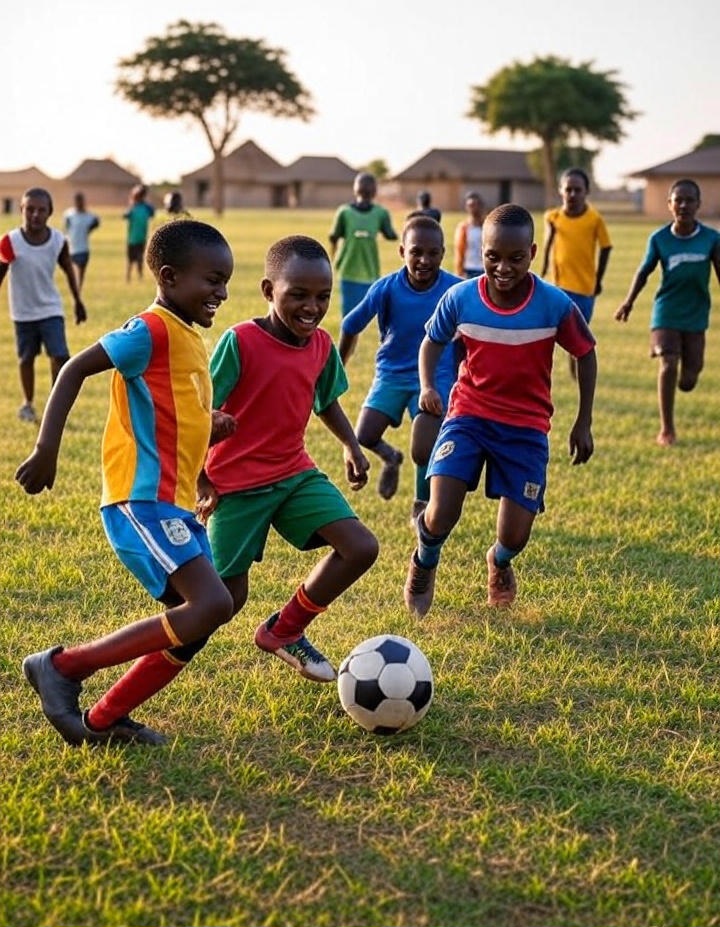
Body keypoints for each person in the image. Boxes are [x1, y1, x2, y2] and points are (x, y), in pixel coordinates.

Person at [17, 219, 237, 746]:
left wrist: (206, 464)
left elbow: (178, 416)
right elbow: (72, 369)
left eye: (225, 281)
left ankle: (103, 720)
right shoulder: (150, 329)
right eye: (211, 280)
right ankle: (64, 667)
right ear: (168, 276)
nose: (222, 293)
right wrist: (46, 449)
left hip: (175, 502)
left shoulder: (188, 337)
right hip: (141, 500)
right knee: (212, 605)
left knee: (198, 621)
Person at [197, 235, 379, 683]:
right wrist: (201, 477)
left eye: (322, 297)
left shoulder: (320, 346)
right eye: (297, 294)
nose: (311, 307)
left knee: (360, 547)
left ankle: (284, 629)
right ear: (267, 291)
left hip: (294, 474)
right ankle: (143, 661)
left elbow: (326, 401)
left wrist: (351, 445)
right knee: (221, 600)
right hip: (236, 487)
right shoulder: (240, 342)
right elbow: (201, 413)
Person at [403, 204, 597, 617]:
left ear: (532, 251)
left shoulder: (554, 304)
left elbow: (585, 353)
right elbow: (431, 343)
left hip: (525, 428)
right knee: (440, 511)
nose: (503, 267)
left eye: (515, 258)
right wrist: (425, 386)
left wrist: (583, 421)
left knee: (516, 534)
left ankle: (500, 562)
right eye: (493, 257)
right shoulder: (460, 298)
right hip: (468, 417)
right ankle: (424, 560)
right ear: (482, 252)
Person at [338, 215, 461, 523]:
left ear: (443, 254)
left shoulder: (456, 290)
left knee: (424, 445)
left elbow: (477, 329)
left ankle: (422, 505)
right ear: (402, 252)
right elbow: (351, 324)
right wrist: (339, 367)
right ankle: (391, 458)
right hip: (391, 374)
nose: (424, 260)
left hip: (435, 378)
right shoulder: (386, 288)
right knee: (363, 435)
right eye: (416, 252)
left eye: (432, 253)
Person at [615, 178, 720, 447]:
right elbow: (644, 272)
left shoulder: (711, 239)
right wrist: (628, 302)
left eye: (689, 200)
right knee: (668, 363)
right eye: (678, 200)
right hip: (666, 313)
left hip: (696, 316)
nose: (684, 204)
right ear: (670, 204)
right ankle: (667, 429)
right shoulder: (659, 239)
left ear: (698, 204)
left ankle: (688, 373)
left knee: (689, 378)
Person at [0, 187, 87, 424]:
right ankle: (27, 404)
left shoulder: (58, 241)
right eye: (30, 210)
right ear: (21, 210)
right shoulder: (10, 242)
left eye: (41, 210)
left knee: (60, 356)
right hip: (23, 312)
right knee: (26, 358)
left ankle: (54, 405)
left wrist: (78, 301)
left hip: (50, 308)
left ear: (50, 213)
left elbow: (69, 269)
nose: (35, 215)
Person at [540, 167, 612, 378]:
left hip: (585, 288)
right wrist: (544, 271)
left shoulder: (594, 219)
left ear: (586, 192)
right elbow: (547, 245)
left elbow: (606, 247)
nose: (572, 194)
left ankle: (576, 365)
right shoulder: (552, 217)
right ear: (560, 191)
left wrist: (599, 280)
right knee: (550, 332)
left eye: (577, 190)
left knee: (579, 334)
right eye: (568, 189)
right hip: (559, 287)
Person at [328, 172, 398, 318]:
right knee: (366, 315)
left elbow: (333, 237)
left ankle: (347, 340)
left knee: (348, 316)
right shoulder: (380, 213)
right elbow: (391, 235)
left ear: (355, 189)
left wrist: (334, 259)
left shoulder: (344, 212)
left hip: (347, 269)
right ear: (375, 191)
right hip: (370, 271)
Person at [63, 192, 100, 292]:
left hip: (83, 248)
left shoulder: (89, 216)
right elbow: (66, 228)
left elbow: (97, 221)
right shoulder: (69, 215)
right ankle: (75, 289)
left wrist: (89, 230)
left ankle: (78, 290)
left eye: (81, 201)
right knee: (72, 272)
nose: (79, 203)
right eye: (77, 201)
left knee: (81, 272)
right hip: (71, 248)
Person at [123, 184, 155, 282]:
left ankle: (139, 277)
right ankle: (128, 277)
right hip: (132, 238)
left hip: (141, 238)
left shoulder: (146, 208)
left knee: (140, 258)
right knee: (131, 260)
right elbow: (125, 215)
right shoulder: (133, 208)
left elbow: (152, 212)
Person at [453, 191, 487, 278]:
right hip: (468, 270)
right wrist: (459, 271)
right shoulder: (463, 228)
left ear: (480, 206)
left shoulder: (487, 227)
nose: (473, 208)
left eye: (475, 205)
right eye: (470, 205)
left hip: (484, 269)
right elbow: (459, 250)